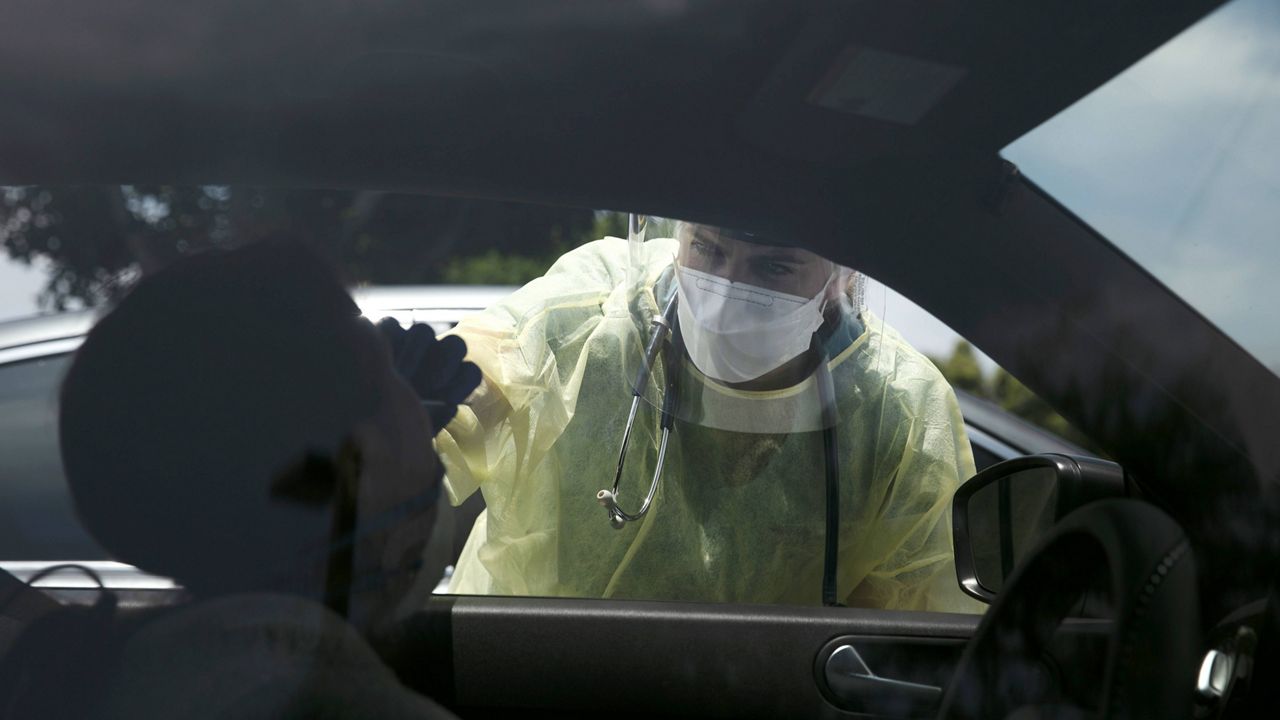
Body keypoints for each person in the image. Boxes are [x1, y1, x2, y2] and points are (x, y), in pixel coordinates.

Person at [2, 241, 475, 719]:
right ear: (357, 466)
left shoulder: (127, 673)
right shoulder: (331, 702)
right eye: (386, 378)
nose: (416, 409)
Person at [436, 219, 983, 612]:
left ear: (840, 277)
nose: (727, 294)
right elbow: (446, 408)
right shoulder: (589, 314)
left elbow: (918, 629)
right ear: (677, 237)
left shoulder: (897, 409)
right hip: (519, 681)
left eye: (774, 266)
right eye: (708, 250)